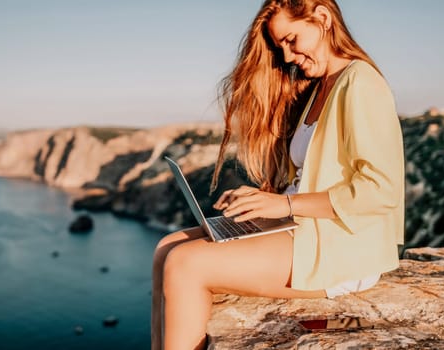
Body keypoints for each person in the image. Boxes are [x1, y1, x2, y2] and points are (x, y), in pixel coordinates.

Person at [151, 0, 404, 349]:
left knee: (185, 264)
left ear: (323, 18)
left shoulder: (360, 83)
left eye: (291, 40)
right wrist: (262, 199)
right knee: (167, 247)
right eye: (279, 46)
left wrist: (285, 205)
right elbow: (314, 174)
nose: (286, 56)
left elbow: (381, 191)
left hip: (341, 248)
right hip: (305, 229)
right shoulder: (321, 87)